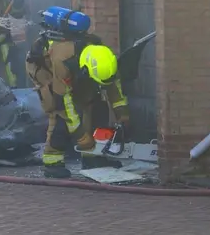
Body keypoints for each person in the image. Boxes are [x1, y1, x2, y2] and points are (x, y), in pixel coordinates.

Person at [26, 34, 131, 178]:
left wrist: (122, 113)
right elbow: (66, 105)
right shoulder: (62, 62)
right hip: (47, 71)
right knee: (60, 113)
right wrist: (81, 136)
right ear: (86, 70)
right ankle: (52, 161)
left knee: (94, 104)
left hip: (77, 71)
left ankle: (92, 157)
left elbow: (114, 88)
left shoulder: (104, 60)